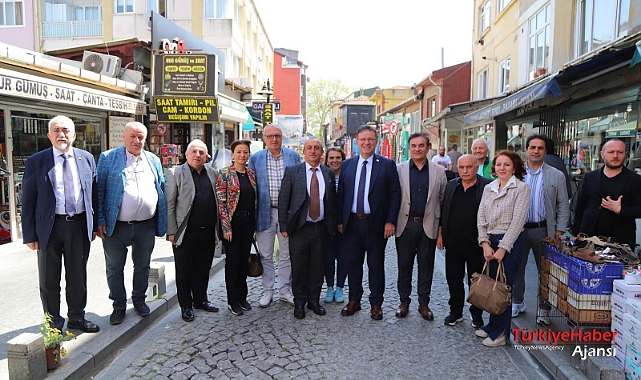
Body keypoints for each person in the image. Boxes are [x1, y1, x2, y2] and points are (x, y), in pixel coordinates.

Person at [22, 115, 100, 333]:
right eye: (56, 130)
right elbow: (27, 200)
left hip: (78, 226)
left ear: (74, 135)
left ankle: (76, 317)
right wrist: (29, 235)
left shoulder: (86, 159)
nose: (61, 134)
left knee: (77, 276)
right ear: (49, 136)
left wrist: (94, 225)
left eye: (65, 130)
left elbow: (93, 194)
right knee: (49, 279)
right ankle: (54, 323)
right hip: (49, 228)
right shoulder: (36, 161)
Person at [97, 121, 167, 325]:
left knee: (142, 265)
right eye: (133, 137)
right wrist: (100, 220)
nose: (137, 141)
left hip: (145, 224)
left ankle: (139, 299)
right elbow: (99, 190)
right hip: (116, 225)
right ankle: (118, 305)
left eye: (141, 137)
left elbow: (161, 187)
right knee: (114, 267)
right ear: (124, 137)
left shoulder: (153, 160)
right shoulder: (108, 158)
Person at [338, 125, 401, 320]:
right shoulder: (347, 164)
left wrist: (390, 221)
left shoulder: (387, 164)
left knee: (375, 265)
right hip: (352, 223)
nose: (366, 143)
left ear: (376, 142)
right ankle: (354, 300)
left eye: (370, 139)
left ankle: (376, 304)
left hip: (375, 224)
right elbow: (342, 195)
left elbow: (394, 194)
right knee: (353, 264)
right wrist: (340, 221)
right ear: (356, 143)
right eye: (363, 140)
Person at [512, 135, 569, 325]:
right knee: (517, 267)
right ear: (526, 150)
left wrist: (559, 231)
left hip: (543, 230)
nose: (536, 151)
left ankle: (544, 309)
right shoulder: (515, 172)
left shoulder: (556, 175)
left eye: (540, 148)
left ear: (545, 151)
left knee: (545, 271)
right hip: (518, 230)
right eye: (533, 147)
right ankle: (517, 302)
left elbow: (563, 204)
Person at [278, 138, 337, 319]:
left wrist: (332, 226)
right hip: (299, 228)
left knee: (318, 267)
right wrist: (284, 225)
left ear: (322, 153)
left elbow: (332, 201)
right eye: (309, 148)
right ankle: (299, 302)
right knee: (299, 267)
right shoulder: (292, 171)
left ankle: (314, 300)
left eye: (317, 148)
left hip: (321, 228)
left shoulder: (328, 173)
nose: (313, 151)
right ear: (304, 152)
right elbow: (283, 199)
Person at [476, 150, 530, 347]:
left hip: (510, 242)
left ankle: (500, 333)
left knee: (503, 288)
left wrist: (503, 248)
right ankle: (492, 326)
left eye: (507, 164)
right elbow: (481, 216)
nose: (502, 168)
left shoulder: (521, 188)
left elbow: (518, 221)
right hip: (489, 241)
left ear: (514, 167)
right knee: (491, 285)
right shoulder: (489, 187)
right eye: (499, 164)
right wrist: (484, 243)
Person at [166, 140, 220, 322]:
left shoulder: (213, 173)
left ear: (206, 157)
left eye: (202, 152)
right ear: (186, 154)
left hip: (207, 231)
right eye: (194, 151)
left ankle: (200, 300)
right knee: (184, 270)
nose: (198, 155)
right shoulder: (175, 173)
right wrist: (172, 231)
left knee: (203, 268)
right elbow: (170, 204)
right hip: (185, 232)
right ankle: (186, 306)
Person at [248, 124, 301, 307]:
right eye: (270, 136)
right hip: (265, 212)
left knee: (286, 254)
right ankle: (268, 290)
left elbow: (299, 185)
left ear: (282, 137)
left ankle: (285, 290)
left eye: (277, 135)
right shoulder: (255, 159)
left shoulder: (293, 156)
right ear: (264, 138)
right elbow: (251, 187)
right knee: (265, 254)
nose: (274, 139)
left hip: (287, 214)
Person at [395, 133, 446, 320]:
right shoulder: (399, 169)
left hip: (428, 224)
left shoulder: (438, 171)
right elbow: (394, 198)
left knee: (426, 267)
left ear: (428, 147)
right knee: (404, 265)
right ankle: (404, 302)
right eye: (414, 145)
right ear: (409, 148)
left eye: (421, 145)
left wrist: (441, 229)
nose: (418, 149)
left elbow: (443, 200)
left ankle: (424, 304)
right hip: (405, 225)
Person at [437, 154, 491, 328]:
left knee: (476, 280)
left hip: (477, 243)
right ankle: (456, 311)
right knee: (453, 278)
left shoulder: (487, 186)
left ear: (476, 167)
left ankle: (476, 314)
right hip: (453, 241)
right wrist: (441, 235)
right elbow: (444, 211)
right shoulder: (452, 185)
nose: (465, 171)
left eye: (469, 167)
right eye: (461, 167)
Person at [572, 139, 641, 249]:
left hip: (620, 242)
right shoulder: (590, 177)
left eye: (620, 152)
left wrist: (621, 210)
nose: (615, 155)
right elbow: (580, 205)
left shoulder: (635, 180)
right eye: (611, 152)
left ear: (625, 155)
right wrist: (576, 232)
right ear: (602, 154)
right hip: (588, 239)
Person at [216, 140, 257, 316]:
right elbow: (221, 203)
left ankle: (242, 297)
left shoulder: (251, 174)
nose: (242, 155)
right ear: (232, 154)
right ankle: (233, 301)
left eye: (245, 152)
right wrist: (226, 228)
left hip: (248, 225)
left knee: (243, 262)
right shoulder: (225, 174)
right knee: (232, 264)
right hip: (232, 224)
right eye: (239, 152)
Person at [323, 147, 347, 303]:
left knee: (343, 257)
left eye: (338, 157)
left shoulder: (347, 176)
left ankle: (340, 288)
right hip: (326, 225)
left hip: (345, 225)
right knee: (328, 257)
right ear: (326, 160)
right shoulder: (323, 176)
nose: (334, 161)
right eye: (331, 158)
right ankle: (329, 288)